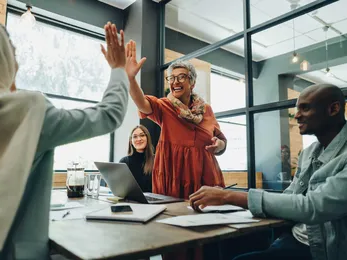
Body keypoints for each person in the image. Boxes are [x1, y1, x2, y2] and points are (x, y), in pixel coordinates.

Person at [0, 14, 128, 259]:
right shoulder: (26, 112)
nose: (17, 66)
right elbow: (109, 115)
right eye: (11, 53)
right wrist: (119, 69)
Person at [190, 83, 347, 260]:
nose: (296, 115)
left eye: (305, 108)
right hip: (293, 237)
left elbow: (313, 206)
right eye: (297, 108)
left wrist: (228, 196)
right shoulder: (309, 152)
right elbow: (291, 197)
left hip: (322, 251)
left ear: (333, 109)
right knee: (218, 246)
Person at [125, 40, 227, 260]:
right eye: (171, 78)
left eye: (181, 77)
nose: (175, 82)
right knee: (174, 237)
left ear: (192, 81)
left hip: (205, 178)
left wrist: (219, 146)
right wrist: (131, 78)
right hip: (174, 177)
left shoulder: (206, 110)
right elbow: (141, 102)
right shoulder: (164, 107)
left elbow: (221, 141)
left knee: (206, 235)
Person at [119, 125, 155, 192]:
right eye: (135, 136)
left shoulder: (157, 160)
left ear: (147, 138)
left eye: (142, 135)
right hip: (130, 201)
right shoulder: (124, 162)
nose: (139, 139)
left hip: (152, 200)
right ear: (131, 141)